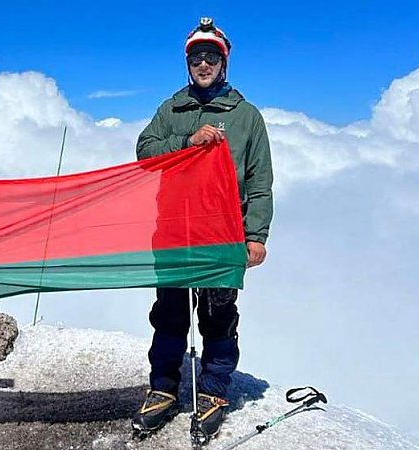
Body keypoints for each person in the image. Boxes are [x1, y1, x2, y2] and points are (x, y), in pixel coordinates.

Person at [132, 17, 274, 445]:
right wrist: (187, 142)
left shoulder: (247, 117)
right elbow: (144, 152)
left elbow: (260, 180)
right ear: (188, 62)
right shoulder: (170, 110)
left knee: (217, 317)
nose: (204, 63)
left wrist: (257, 236)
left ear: (224, 62)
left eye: (211, 56)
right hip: (174, 230)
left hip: (223, 235)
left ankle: (213, 392)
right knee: (170, 316)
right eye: (196, 57)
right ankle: (163, 387)